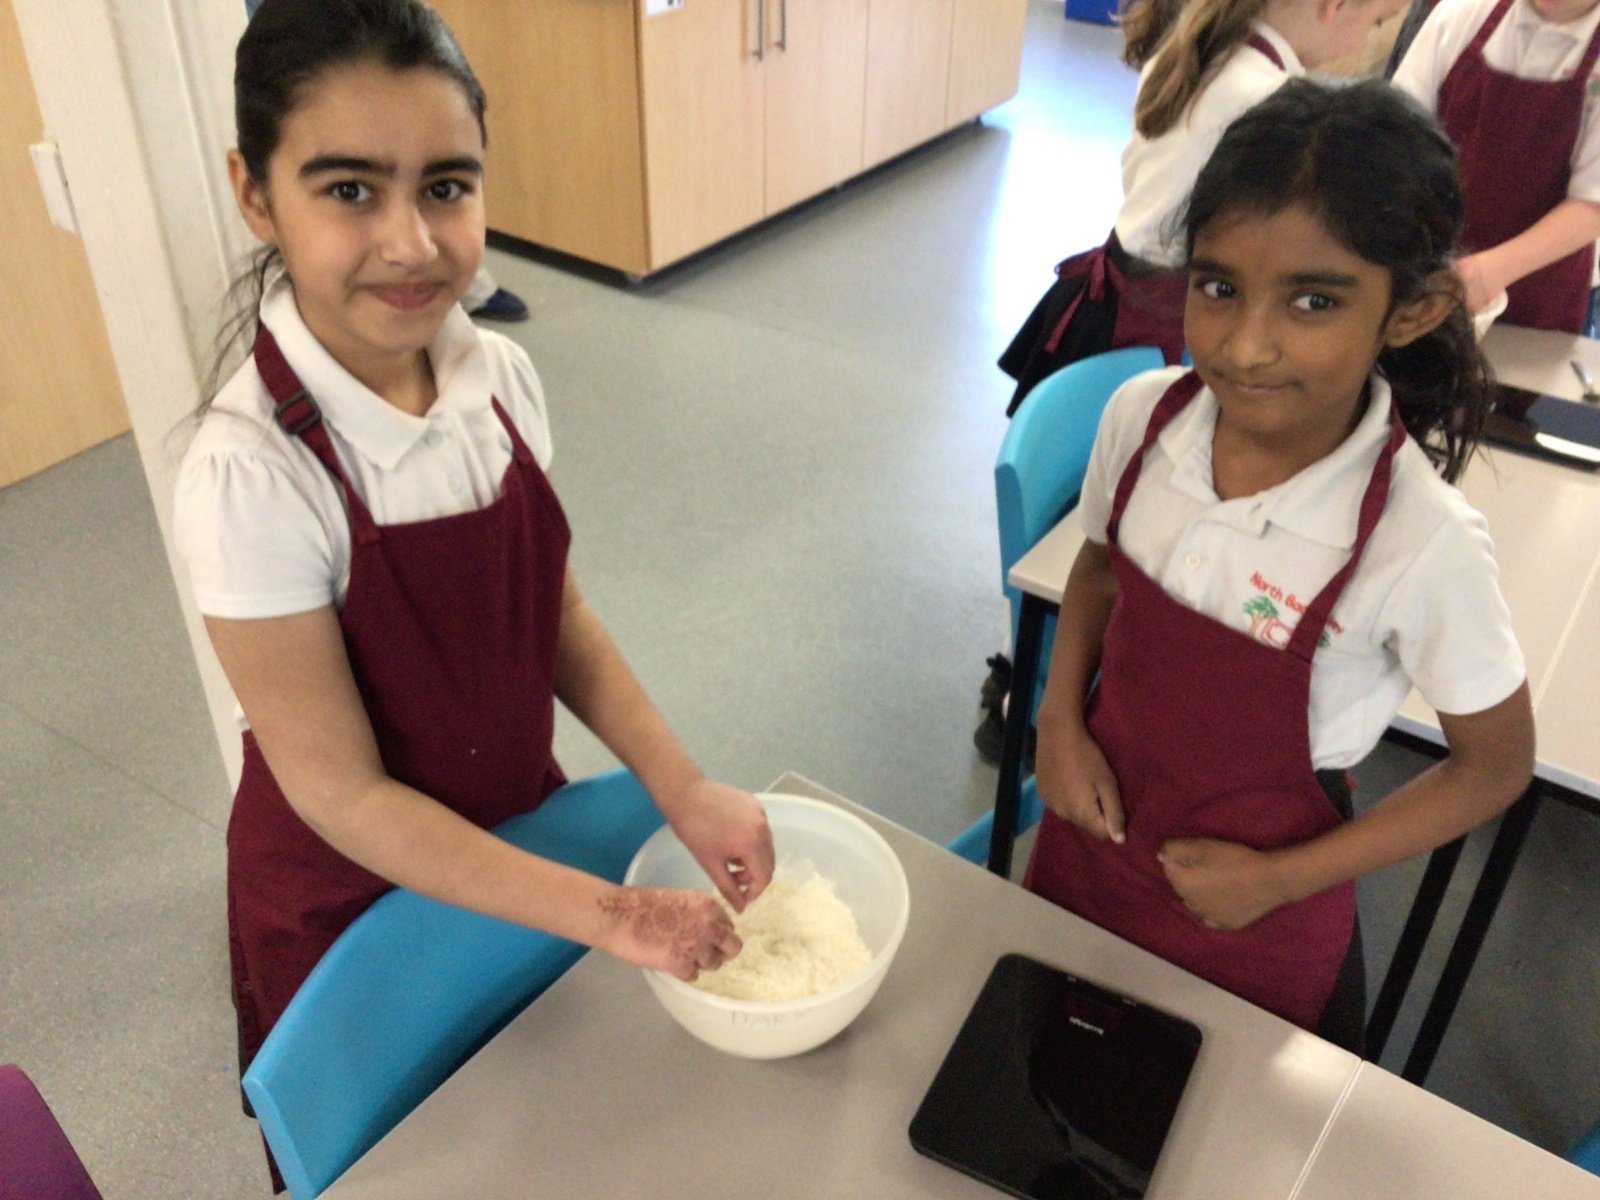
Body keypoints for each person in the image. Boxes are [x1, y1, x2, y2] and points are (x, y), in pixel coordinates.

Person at [174, 0, 774, 1163]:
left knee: (543, 1126)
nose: (412, 243)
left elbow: (557, 614)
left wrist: (684, 786)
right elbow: (346, 796)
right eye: (350, 190)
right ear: (255, 193)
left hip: (510, 828)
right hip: (356, 908)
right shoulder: (250, 473)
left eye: (446, 186)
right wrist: (613, 912)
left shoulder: (497, 378)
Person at [1023, 78, 1534, 1052]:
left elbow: (1495, 765)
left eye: (1313, 301)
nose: (1246, 345)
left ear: (1412, 312)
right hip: (1088, 853)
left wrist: (1282, 879)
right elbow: (1097, 569)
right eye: (1218, 287)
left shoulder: (1419, 539)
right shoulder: (1142, 420)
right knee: (1044, 1064)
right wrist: (1056, 717)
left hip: (1258, 913)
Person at [974, 0, 1407, 762]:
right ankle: (1037, 697)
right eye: (1375, 22)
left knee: (1084, 515)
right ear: (1336, 5)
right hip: (1157, 320)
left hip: (1117, 302)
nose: (1368, 40)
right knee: (1114, 519)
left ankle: (1025, 670)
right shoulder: (1266, 104)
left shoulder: (1206, 53)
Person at [1392, 0, 1600, 330]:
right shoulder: (1461, 14)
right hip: (1426, 263)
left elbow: (1592, 203)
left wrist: (1489, 272)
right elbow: (1395, 136)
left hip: (1541, 291)